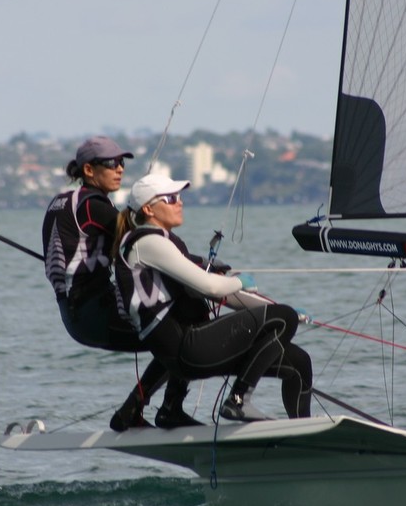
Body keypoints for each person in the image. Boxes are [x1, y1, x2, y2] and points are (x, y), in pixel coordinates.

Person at [113, 174, 313, 424]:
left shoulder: (163, 243)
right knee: (283, 318)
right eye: (171, 198)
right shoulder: (148, 242)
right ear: (148, 209)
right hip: (187, 350)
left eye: (180, 197)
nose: (180, 203)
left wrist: (281, 310)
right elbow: (210, 286)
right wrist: (242, 282)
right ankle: (238, 401)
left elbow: (218, 294)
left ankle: (304, 429)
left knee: (299, 362)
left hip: (190, 350)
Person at [41, 136, 173, 431]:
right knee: (179, 336)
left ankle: (137, 411)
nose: (120, 169)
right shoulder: (92, 204)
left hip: (75, 314)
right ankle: (153, 411)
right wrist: (196, 264)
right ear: (89, 170)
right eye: (112, 164)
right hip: (94, 312)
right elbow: (141, 240)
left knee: (170, 337)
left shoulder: (60, 201)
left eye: (122, 163)